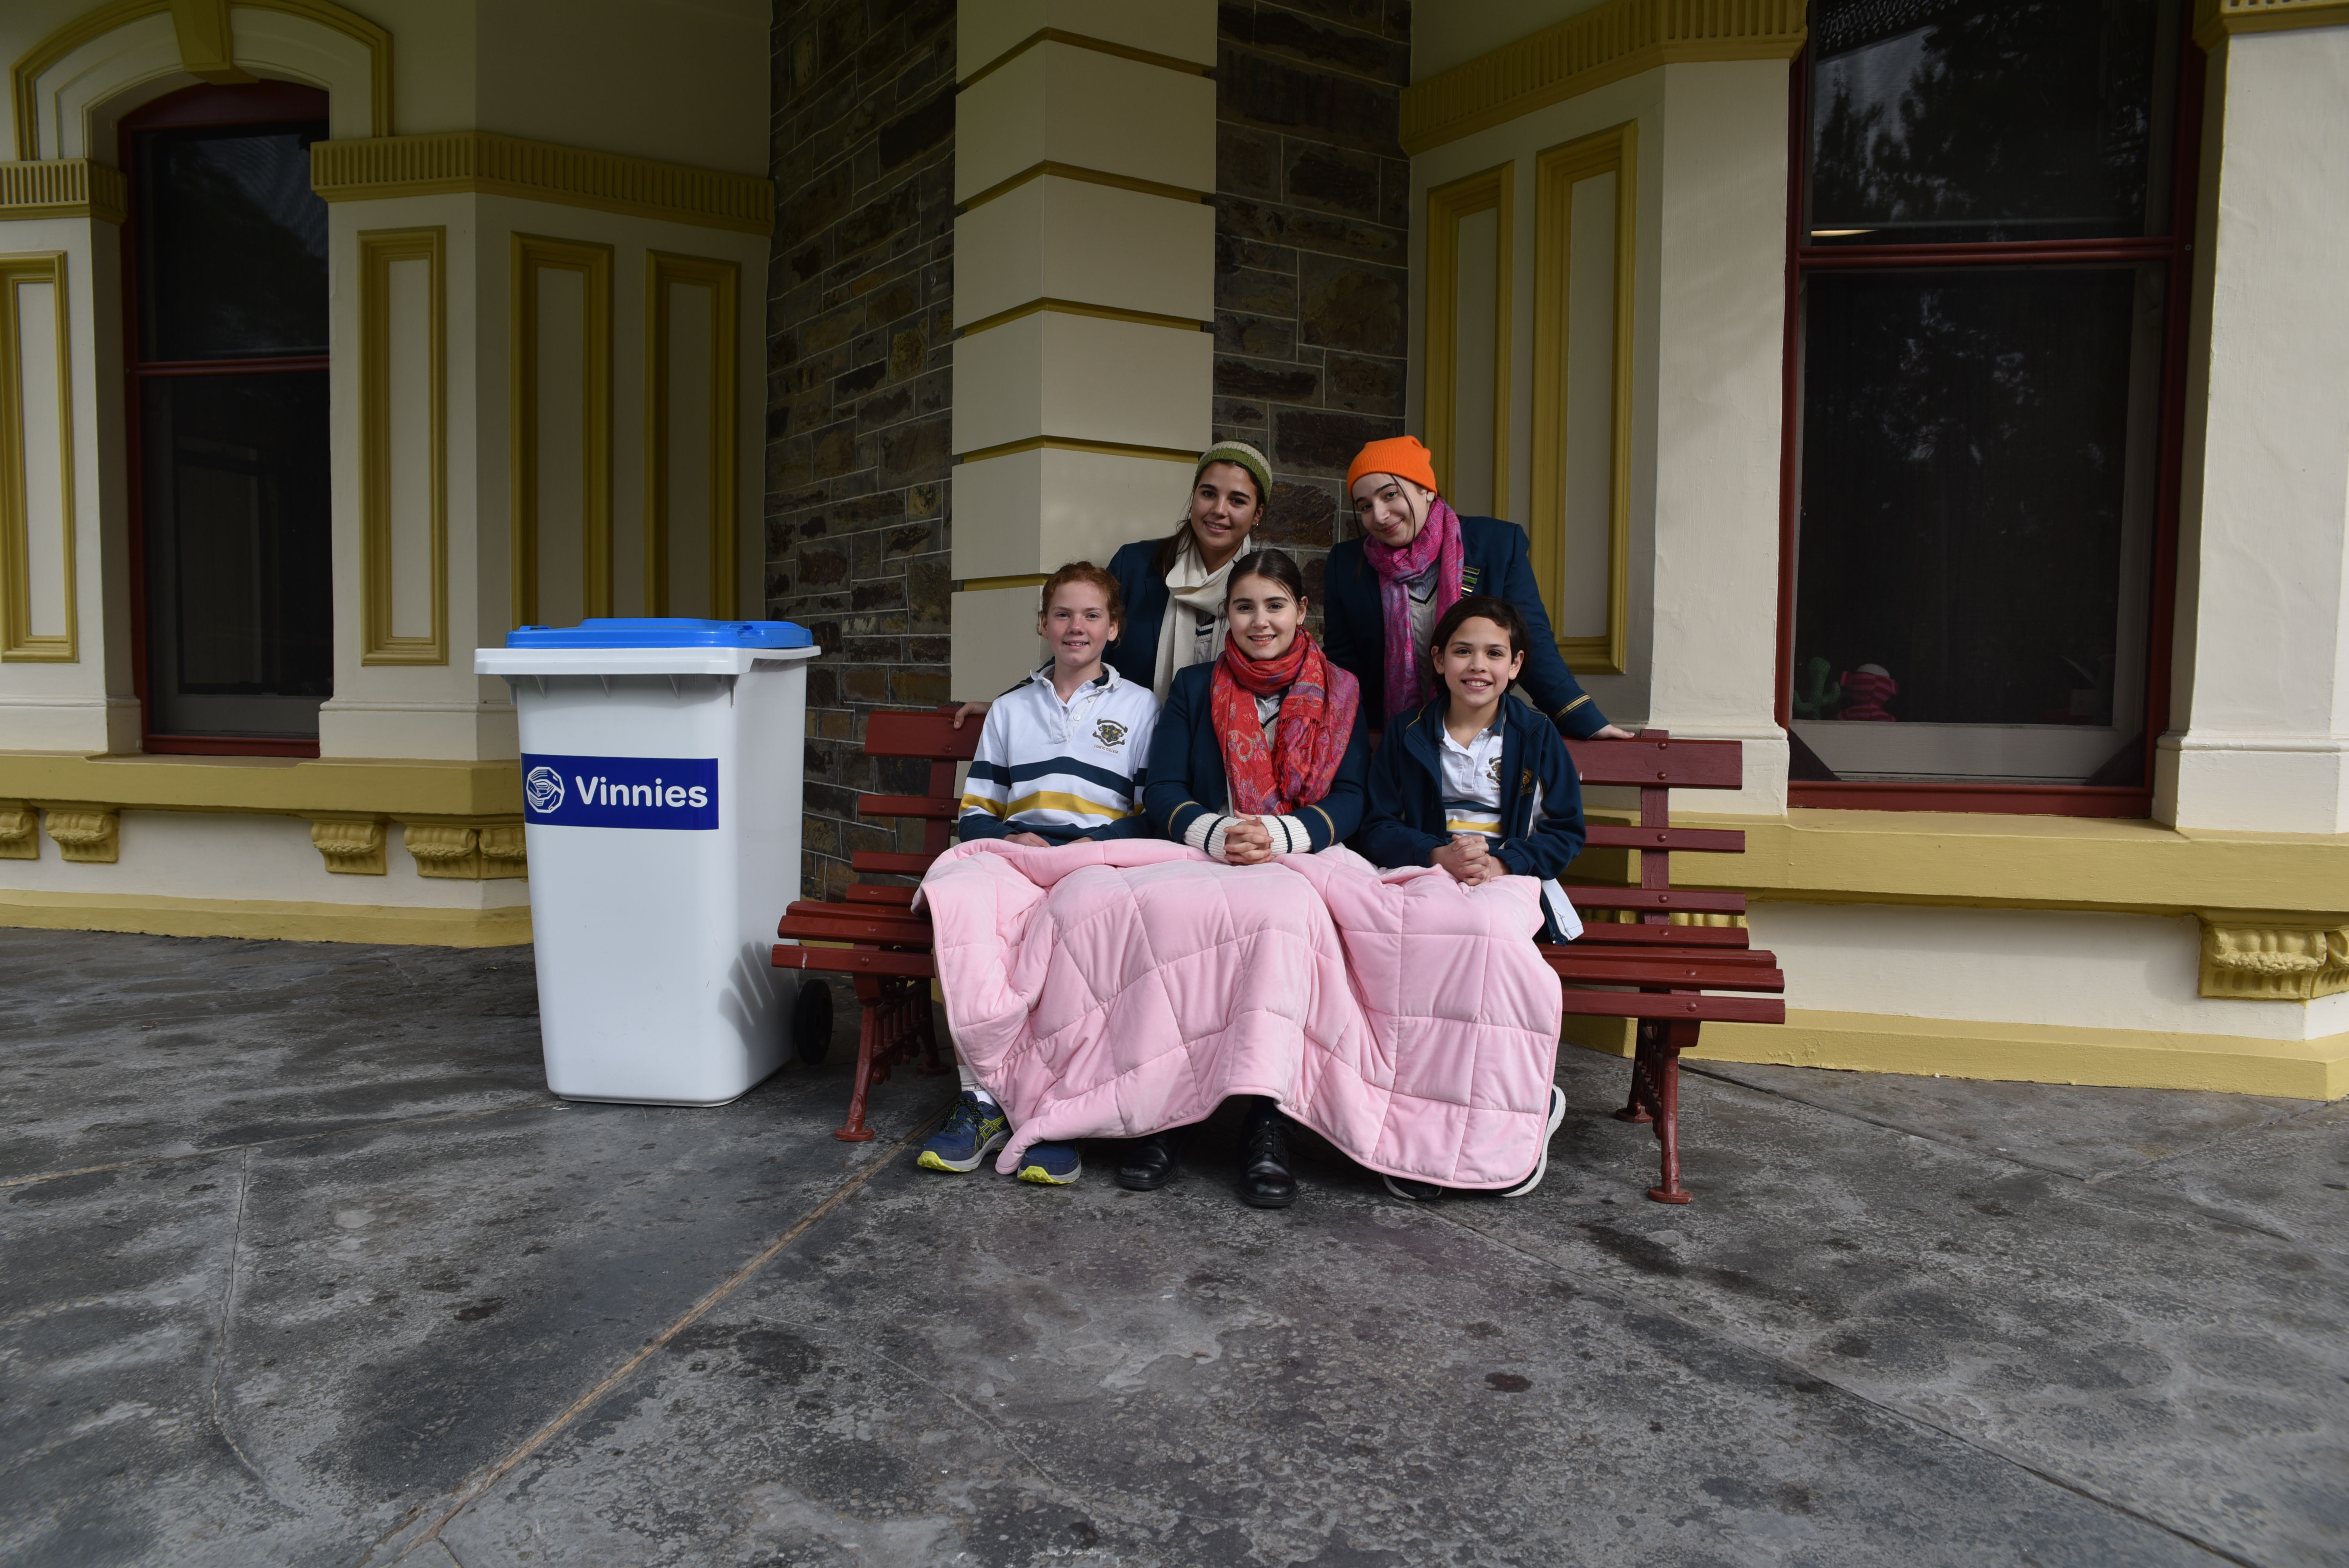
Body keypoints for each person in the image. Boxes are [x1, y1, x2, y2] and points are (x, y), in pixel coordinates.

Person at [1132, 547, 1370, 1209]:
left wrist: (1280, 836)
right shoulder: (1192, 687)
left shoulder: (1342, 691)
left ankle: (1267, 1120)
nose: (1259, 621)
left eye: (1273, 606)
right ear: (1227, 614)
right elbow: (1164, 790)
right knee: (1169, 920)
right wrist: (1217, 832)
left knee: (1281, 927)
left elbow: (1351, 798)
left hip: (1298, 854)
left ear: (1300, 611)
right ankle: (1170, 1114)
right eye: (1244, 607)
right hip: (1211, 848)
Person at [923, 563, 1159, 1188]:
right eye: (1062, 614)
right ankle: (980, 1101)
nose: (1075, 627)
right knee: (962, 905)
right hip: (1016, 855)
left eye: (1090, 616)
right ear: (1042, 624)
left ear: (1114, 628)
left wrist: (1088, 844)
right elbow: (977, 811)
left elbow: (1146, 814)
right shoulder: (1009, 709)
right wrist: (1006, 839)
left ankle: (1060, 1115)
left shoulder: (1140, 707)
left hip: (1095, 862)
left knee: (1082, 930)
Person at [1351, 594, 1587, 1202]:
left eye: (1493, 653)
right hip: (1432, 872)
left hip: (1509, 875)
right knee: (1416, 951)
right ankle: (1417, 1130)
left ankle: (1524, 1105)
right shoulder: (1408, 734)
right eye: (1462, 650)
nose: (1477, 664)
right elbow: (1375, 825)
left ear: (1515, 666)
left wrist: (1505, 858)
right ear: (1438, 659)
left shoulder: (1537, 737)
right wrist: (1437, 854)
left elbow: (1564, 834)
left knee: (1485, 936)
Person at [1324, 435, 1636, 741]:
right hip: (1390, 740)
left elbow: (1531, 640)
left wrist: (1583, 718)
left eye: (1390, 495)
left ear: (1426, 489)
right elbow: (1343, 669)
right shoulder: (1346, 564)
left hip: (1481, 737)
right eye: (1365, 506)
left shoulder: (1496, 545)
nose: (1379, 515)